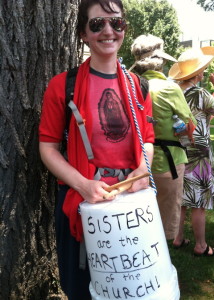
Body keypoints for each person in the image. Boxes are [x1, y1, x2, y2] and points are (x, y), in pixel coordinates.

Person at [38, 1, 154, 299]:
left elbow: (148, 140)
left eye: (116, 23)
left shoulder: (138, 86)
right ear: (82, 34)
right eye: (97, 24)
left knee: (133, 288)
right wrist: (84, 185)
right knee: (83, 291)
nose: (108, 31)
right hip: (83, 202)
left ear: (124, 29)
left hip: (130, 205)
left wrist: (143, 169)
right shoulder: (62, 86)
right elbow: (47, 147)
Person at [130, 34, 197, 241]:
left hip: (134, 165)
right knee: (164, 224)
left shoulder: (128, 86)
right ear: (161, 61)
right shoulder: (169, 88)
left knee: (139, 223)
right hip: (169, 165)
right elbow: (189, 126)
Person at [169, 47, 214, 255]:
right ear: (198, 73)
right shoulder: (200, 94)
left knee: (181, 198)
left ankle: (178, 237)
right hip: (199, 152)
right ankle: (201, 246)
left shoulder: (172, 91)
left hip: (178, 150)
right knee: (198, 200)